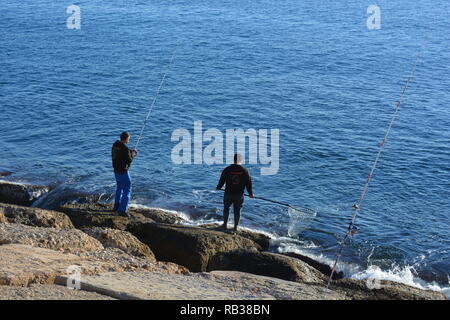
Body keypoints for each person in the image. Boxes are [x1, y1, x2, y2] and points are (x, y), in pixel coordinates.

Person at [216, 154, 254, 233]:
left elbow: (222, 180)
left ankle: (224, 225)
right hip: (239, 195)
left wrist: (219, 187)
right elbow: (249, 183)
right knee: (237, 210)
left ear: (233, 160)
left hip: (228, 193)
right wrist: (250, 193)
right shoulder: (245, 170)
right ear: (241, 160)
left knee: (226, 209)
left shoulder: (227, 169)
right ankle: (235, 228)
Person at [112, 131, 138, 217]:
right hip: (123, 171)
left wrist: (131, 151)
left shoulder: (115, 145)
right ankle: (122, 210)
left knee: (119, 188)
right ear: (126, 139)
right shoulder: (125, 149)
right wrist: (133, 154)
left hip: (116, 170)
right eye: (129, 139)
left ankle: (116, 206)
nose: (129, 141)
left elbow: (124, 152)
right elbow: (129, 160)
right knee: (127, 188)